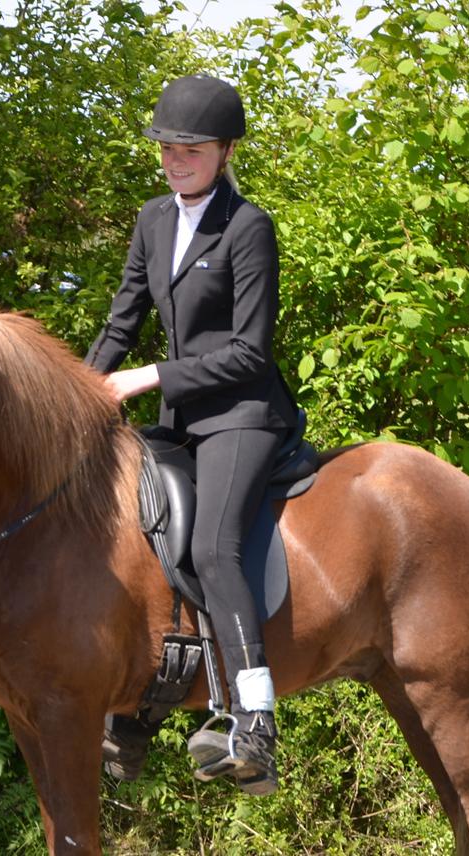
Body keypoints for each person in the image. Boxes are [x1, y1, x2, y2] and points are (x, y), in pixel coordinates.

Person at [84, 74, 297, 796]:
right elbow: (122, 319)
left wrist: (146, 379)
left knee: (212, 544)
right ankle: (148, 705)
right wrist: (81, 395)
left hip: (241, 413)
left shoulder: (248, 227)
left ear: (226, 151)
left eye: (191, 150)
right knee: (138, 530)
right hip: (180, 421)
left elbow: (250, 352)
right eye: (168, 150)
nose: (176, 162)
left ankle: (256, 721)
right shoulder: (152, 220)